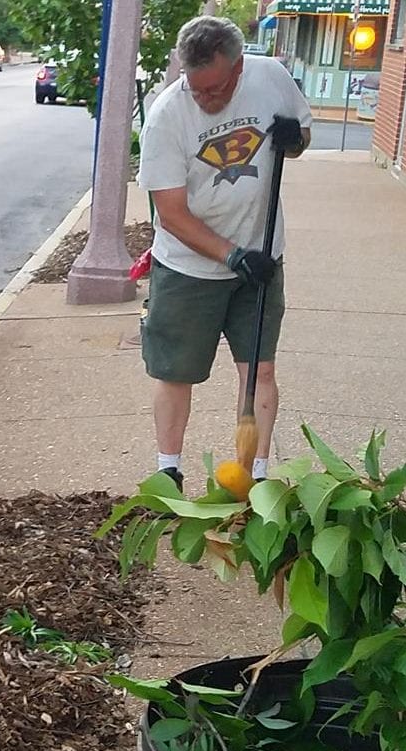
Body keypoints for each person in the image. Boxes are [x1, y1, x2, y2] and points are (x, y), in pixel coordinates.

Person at [136, 16, 312, 490]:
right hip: (188, 267)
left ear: (238, 68)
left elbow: (300, 136)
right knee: (177, 371)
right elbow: (171, 213)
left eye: (215, 89)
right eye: (197, 89)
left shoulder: (271, 78)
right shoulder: (168, 116)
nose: (205, 99)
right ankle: (168, 469)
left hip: (262, 257)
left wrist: (295, 141)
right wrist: (233, 255)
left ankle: (253, 474)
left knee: (260, 369)